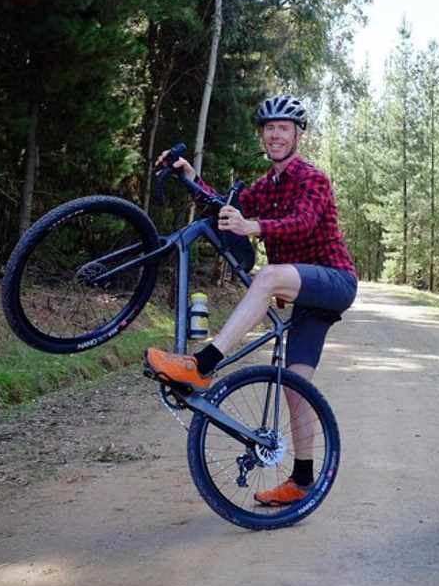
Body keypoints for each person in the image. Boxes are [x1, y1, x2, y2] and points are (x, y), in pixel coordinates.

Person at [144, 94, 357, 506]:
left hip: (335, 280)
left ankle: (201, 365)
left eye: (284, 128)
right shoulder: (263, 188)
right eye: (269, 128)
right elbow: (224, 208)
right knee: (296, 387)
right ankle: (301, 480)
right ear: (263, 135)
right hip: (305, 298)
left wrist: (253, 226)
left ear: (298, 135)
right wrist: (191, 175)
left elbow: (302, 222)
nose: (276, 135)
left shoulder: (313, 179)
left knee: (270, 275)